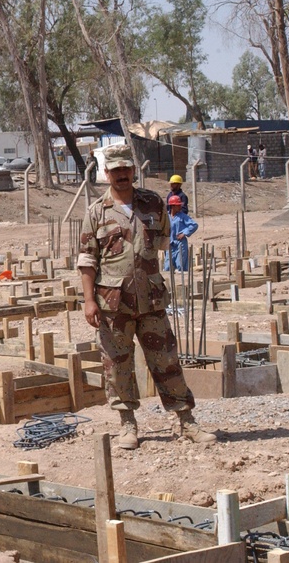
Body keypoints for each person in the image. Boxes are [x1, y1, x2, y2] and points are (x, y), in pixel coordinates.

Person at [77, 144, 215, 450]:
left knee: (167, 361)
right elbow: (87, 261)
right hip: (114, 305)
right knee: (118, 366)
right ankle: (128, 425)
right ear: (106, 174)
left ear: (133, 170)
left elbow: (164, 241)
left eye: (126, 169)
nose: (122, 175)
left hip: (151, 301)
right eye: (115, 171)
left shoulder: (152, 203)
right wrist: (88, 301)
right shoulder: (96, 212)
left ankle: (186, 421)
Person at [165, 196, 197, 272]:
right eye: (178, 205)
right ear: (172, 206)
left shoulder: (182, 216)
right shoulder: (166, 216)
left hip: (180, 243)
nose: (180, 206)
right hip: (170, 243)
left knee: (180, 265)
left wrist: (184, 233)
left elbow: (194, 225)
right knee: (167, 267)